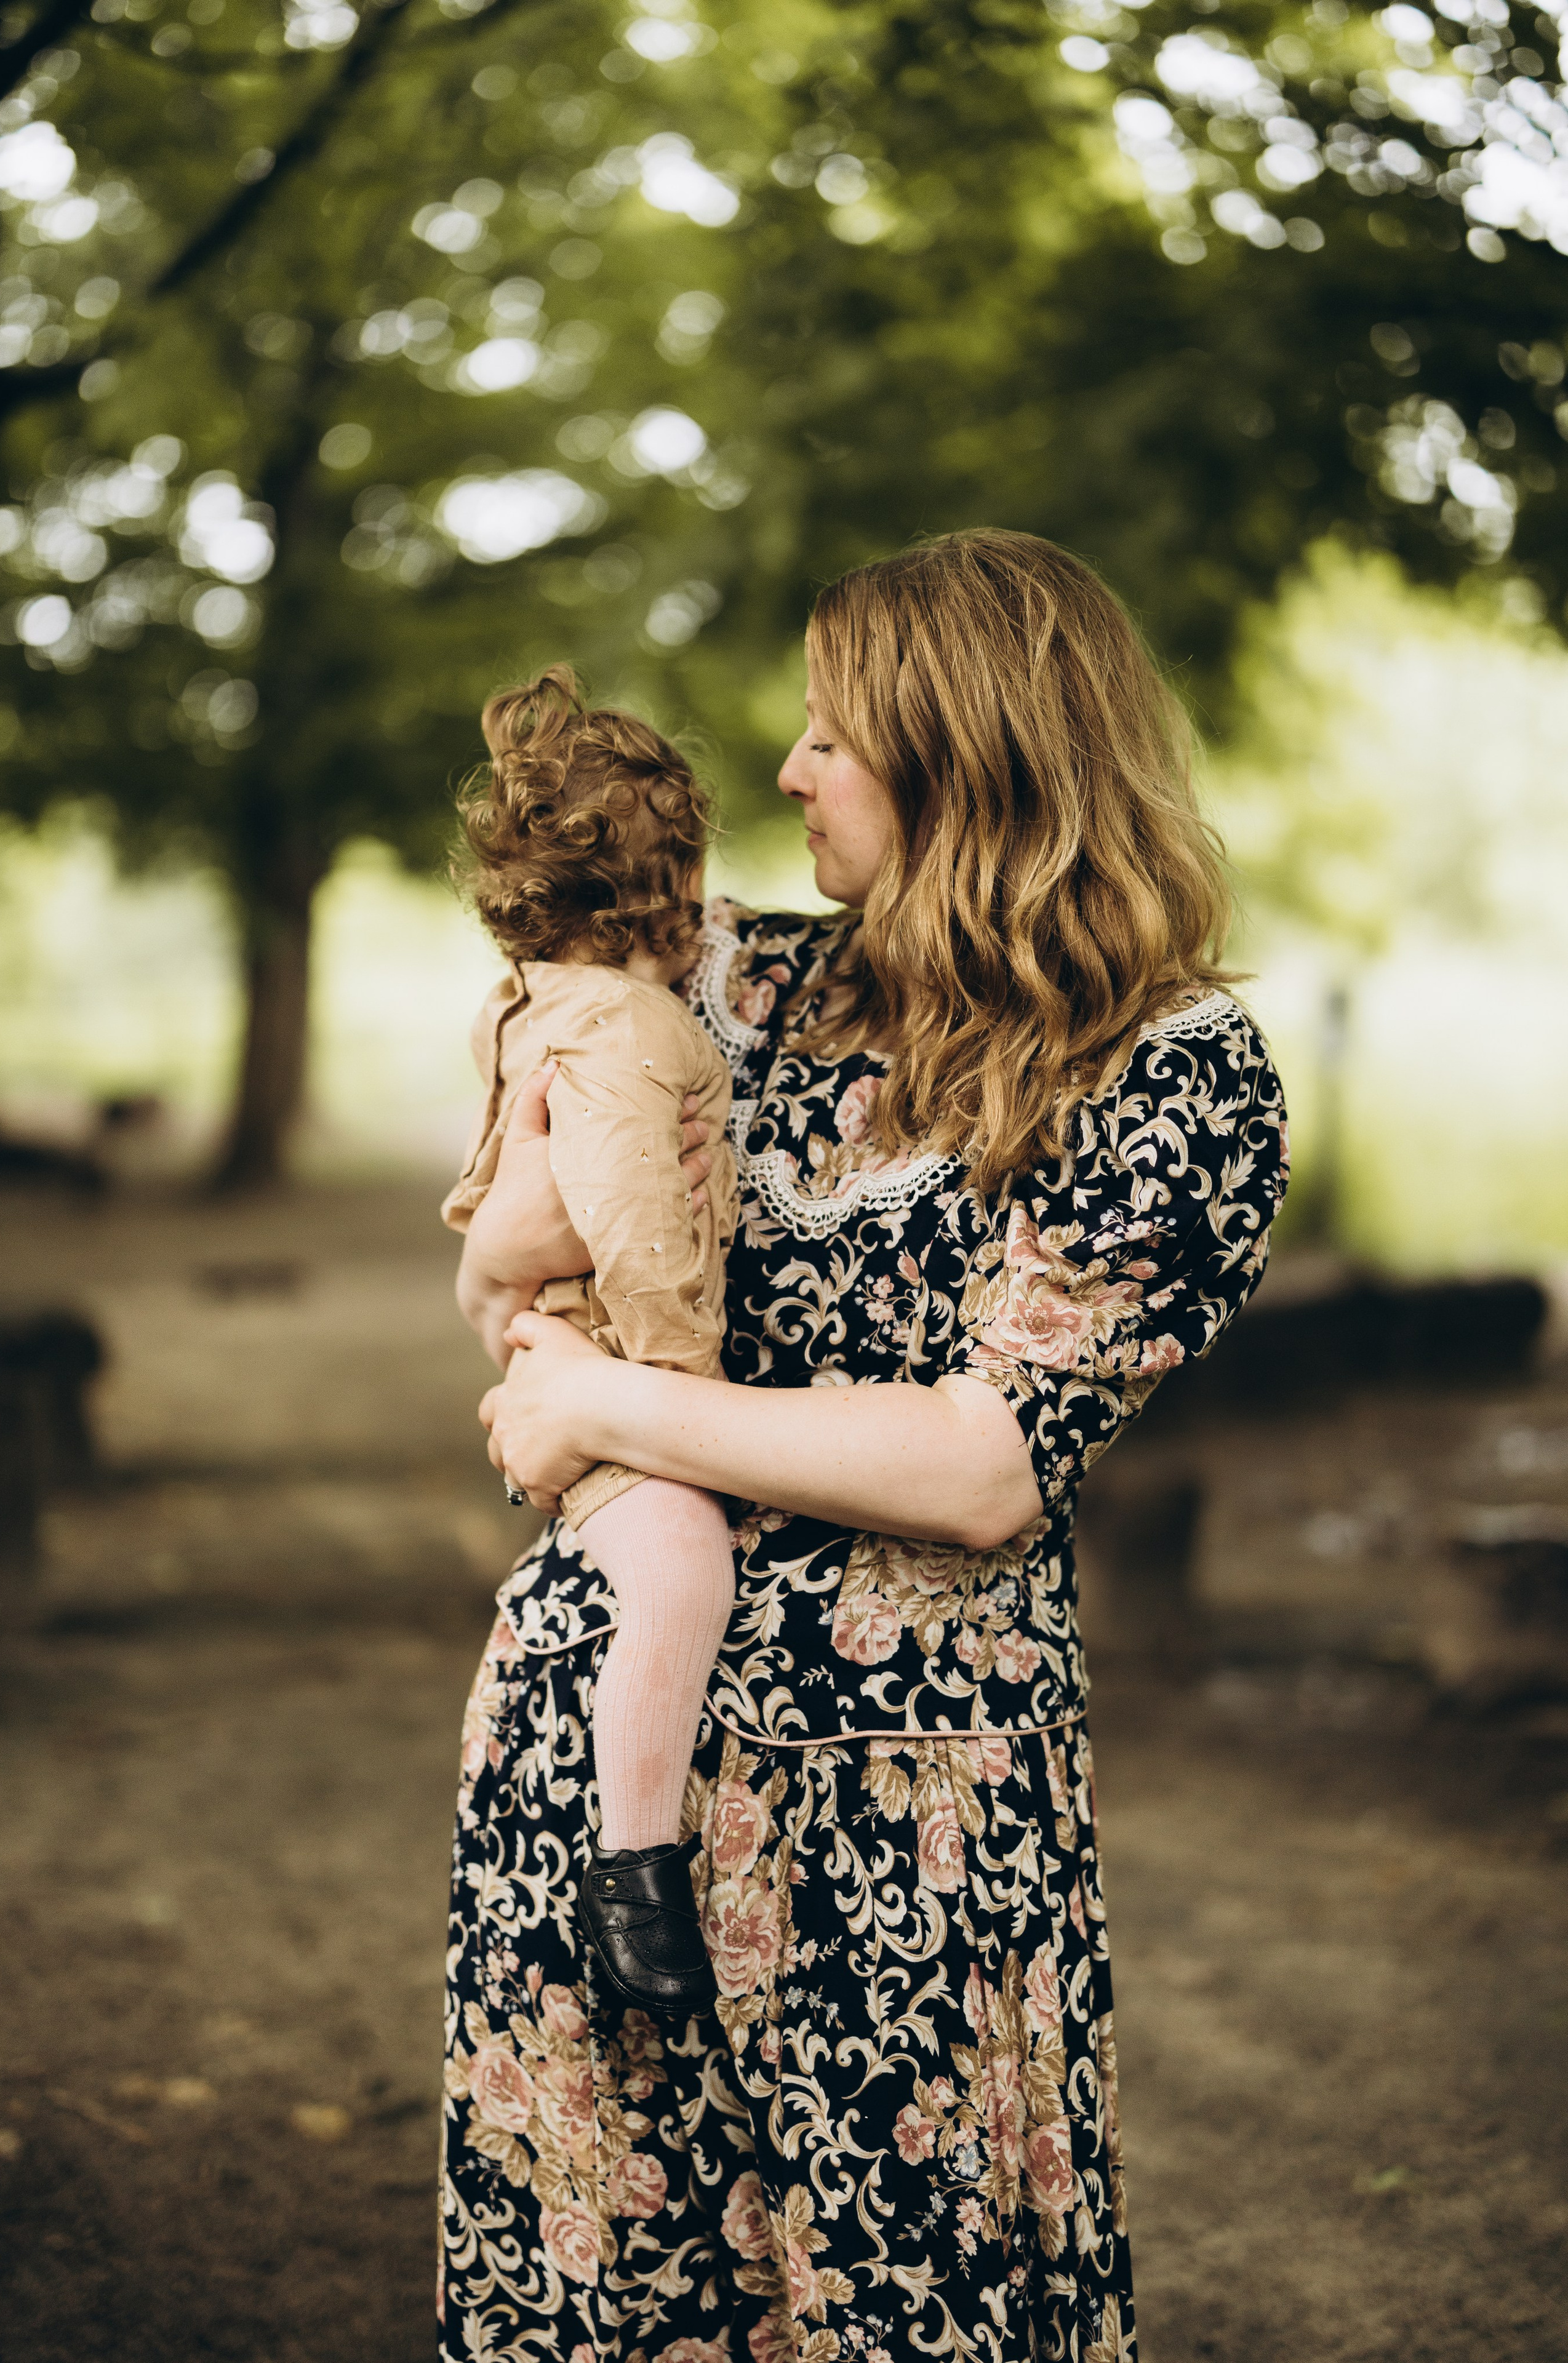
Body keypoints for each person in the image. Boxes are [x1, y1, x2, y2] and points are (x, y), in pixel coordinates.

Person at [440, 529, 1289, 2363]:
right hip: (598, 1760)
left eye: (837, 734)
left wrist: (608, 1407)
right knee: (609, 2302)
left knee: (905, 2307)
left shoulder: (1168, 1073)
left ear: (967, 757)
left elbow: (986, 1463)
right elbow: (523, 1246)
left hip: (905, 1820)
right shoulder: (734, 993)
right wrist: (537, 1313)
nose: (792, 769)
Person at [442, 666, 737, 2015]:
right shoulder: (630, 1021)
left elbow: (492, 1194)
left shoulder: (531, 1000)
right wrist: (680, 1380)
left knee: (665, 1563)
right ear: (663, 893)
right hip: (611, 1354)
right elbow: (622, 1210)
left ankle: (634, 1862)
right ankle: (637, 1869)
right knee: (681, 1565)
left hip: (555, 1342)